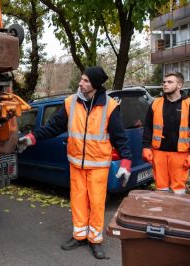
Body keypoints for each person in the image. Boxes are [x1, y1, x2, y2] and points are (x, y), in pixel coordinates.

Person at [17, 66, 132, 259]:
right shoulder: (70, 102)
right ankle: (79, 236)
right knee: (78, 202)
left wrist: (126, 161)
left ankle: (95, 240)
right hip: (76, 164)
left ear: (95, 85)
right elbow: (53, 127)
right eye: (81, 79)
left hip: (98, 166)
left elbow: (120, 137)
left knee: (96, 204)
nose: (81, 83)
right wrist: (31, 138)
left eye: (86, 80)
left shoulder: (110, 107)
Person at [142, 72, 190, 194]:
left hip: (180, 154)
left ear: (179, 85)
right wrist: (146, 147)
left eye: (170, 82)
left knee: (178, 190)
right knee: (161, 189)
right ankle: (162, 212)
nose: (165, 84)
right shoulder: (156, 103)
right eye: (164, 82)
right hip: (159, 153)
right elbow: (148, 127)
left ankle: (177, 213)